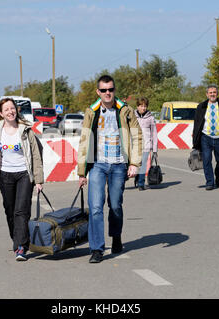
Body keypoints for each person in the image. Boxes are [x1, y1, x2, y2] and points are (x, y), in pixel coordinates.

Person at [77, 75, 143, 263]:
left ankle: (116, 236)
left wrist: (134, 163)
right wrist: (82, 171)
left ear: (114, 90)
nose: (108, 93)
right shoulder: (92, 112)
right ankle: (97, 248)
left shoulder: (125, 111)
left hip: (119, 165)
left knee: (115, 205)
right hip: (97, 165)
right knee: (96, 207)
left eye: (111, 89)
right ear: (98, 92)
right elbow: (84, 141)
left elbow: (137, 137)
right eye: (104, 90)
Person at [0, 98, 44, 261]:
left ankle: (21, 246)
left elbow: (35, 154)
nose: (10, 112)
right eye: (6, 109)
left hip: (24, 174)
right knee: (10, 209)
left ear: (16, 110)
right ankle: (17, 238)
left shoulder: (26, 130)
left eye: (12, 108)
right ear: (1, 113)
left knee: (21, 210)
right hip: (5, 175)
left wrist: (39, 179)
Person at [134, 97, 158, 191]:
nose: (143, 108)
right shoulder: (132, 117)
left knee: (143, 164)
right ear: (137, 106)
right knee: (136, 164)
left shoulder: (150, 118)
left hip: (146, 145)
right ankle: (137, 177)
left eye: (145, 106)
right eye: (141, 106)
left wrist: (155, 149)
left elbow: (154, 133)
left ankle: (141, 183)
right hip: (135, 145)